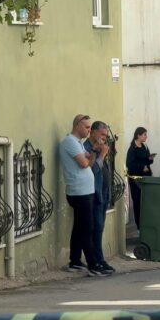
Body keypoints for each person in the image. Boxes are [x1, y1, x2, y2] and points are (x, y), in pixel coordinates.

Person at [59, 114, 110, 277]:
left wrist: (94, 151)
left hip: (85, 191)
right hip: (78, 191)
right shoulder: (70, 142)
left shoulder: (79, 144)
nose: (89, 130)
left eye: (89, 127)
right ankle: (93, 264)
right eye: (87, 127)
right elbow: (84, 163)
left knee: (80, 227)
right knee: (87, 228)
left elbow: (90, 160)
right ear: (77, 126)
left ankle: (74, 260)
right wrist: (95, 154)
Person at [83, 121, 116, 274]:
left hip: (103, 193)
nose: (104, 138)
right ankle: (97, 261)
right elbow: (93, 170)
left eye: (106, 136)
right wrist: (101, 154)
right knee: (95, 228)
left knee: (99, 228)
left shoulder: (100, 147)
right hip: (94, 193)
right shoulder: (86, 148)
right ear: (93, 132)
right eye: (102, 134)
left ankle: (100, 259)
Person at [126, 127, 154, 228]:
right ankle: (139, 226)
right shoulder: (132, 148)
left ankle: (147, 224)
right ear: (138, 135)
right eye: (144, 134)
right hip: (136, 180)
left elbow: (147, 161)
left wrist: (150, 159)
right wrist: (142, 167)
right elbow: (129, 164)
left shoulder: (144, 146)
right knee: (138, 202)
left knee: (147, 202)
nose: (146, 136)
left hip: (146, 178)